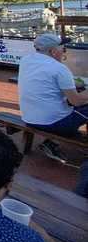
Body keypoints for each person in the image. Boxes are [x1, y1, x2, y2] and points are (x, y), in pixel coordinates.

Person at [18, 33, 88, 162]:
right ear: (53, 51)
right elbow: (76, 101)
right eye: (63, 48)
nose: (64, 51)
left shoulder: (26, 60)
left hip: (29, 118)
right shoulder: (59, 69)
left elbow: (45, 79)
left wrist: (72, 83)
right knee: (80, 104)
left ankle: (50, 143)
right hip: (54, 124)